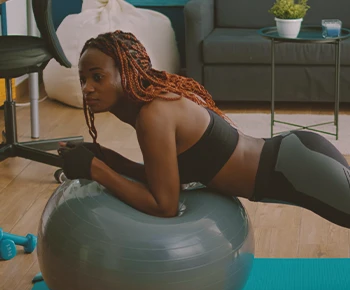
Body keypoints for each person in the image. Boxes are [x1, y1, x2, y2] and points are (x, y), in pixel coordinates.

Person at [58, 30, 350, 229]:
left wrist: (97, 169)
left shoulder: (153, 115)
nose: (87, 89)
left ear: (129, 73)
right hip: (294, 156)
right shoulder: (150, 110)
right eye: (83, 79)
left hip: (295, 168)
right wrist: (106, 158)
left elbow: (164, 206)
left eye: (98, 77)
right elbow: (164, 180)